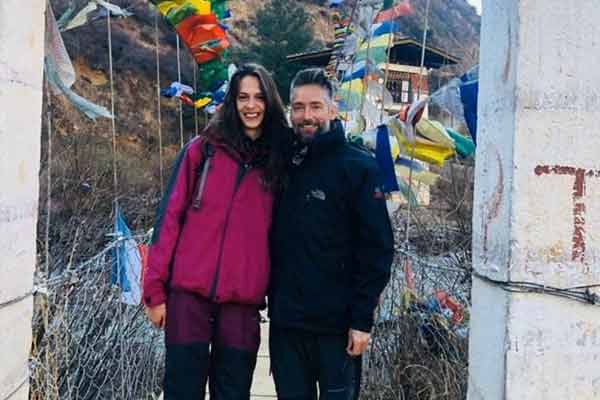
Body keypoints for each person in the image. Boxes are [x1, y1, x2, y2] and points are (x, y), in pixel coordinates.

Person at [143, 63, 289, 400]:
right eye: (243, 97)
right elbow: (169, 219)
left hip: (242, 305)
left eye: (258, 97)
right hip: (187, 298)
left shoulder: (280, 161)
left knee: (233, 393)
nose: (251, 105)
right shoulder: (202, 150)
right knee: (181, 391)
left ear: (269, 102)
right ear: (232, 102)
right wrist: (154, 290)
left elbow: (287, 237)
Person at [268, 68, 394, 400]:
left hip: (337, 330)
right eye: (298, 107)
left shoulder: (359, 168)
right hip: (286, 328)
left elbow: (378, 250)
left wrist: (362, 320)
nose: (306, 116)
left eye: (315, 106)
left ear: (332, 109)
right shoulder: (283, 165)